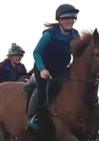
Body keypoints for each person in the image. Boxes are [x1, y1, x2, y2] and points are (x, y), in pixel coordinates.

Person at [27, 3, 80, 131]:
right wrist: (42, 69)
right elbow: (37, 52)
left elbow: (78, 54)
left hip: (61, 69)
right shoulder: (49, 34)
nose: (70, 21)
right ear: (60, 20)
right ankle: (33, 116)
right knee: (43, 89)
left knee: (67, 86)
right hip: (44, 68)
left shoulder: (75, 35)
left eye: (72, 18)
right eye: (67, 18)